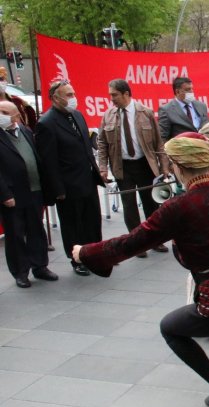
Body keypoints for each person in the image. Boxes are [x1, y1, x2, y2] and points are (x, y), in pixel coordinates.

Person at [72, 133, 209, 407]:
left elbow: (130, 243)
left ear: (177, 165)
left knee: (171, 328)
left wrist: (86, 253)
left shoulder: (177, 208)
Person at [35, 80, 104, 276]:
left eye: (73, 93)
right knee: (74, 224)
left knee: (92, 220)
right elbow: (48, 162)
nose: (73, 98)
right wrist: (58, 190)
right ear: (55, 98)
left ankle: (96, 254)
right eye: (68, 95)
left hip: (87, 179)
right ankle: (77, 259)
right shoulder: (46, 123)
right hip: (68, 185)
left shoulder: (77, 115)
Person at [97, 79, 169, 257]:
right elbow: (102, 143)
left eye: (114, 95)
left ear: (126, 94)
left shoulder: (145, 112)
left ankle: (155, 240)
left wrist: (164, 167)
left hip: (145, 164)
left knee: (151, 204)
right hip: (122, 167)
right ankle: (137, 245)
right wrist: (103, 168)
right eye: (110, 95)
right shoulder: (108, 115)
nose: (111, 99)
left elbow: (159, 143)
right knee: (129, 206)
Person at [0, 101, 58, 288]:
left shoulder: (25, 131)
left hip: (34, 189)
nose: (0, 115)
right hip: (12, 194)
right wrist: (4, 194)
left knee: (36, 230)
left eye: (4, 112)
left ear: (16, 115)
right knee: (15, 234)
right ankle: (20, 272)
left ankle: (40, 266)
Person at [158, 77, 209, 141]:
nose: (191, 92)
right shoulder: (166, 110)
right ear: (177, 91)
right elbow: (162, 137)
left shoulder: (201, 106)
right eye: (187, 90)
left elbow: (208, 127)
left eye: (191, 89)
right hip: (182, 149)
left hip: (204, 147)